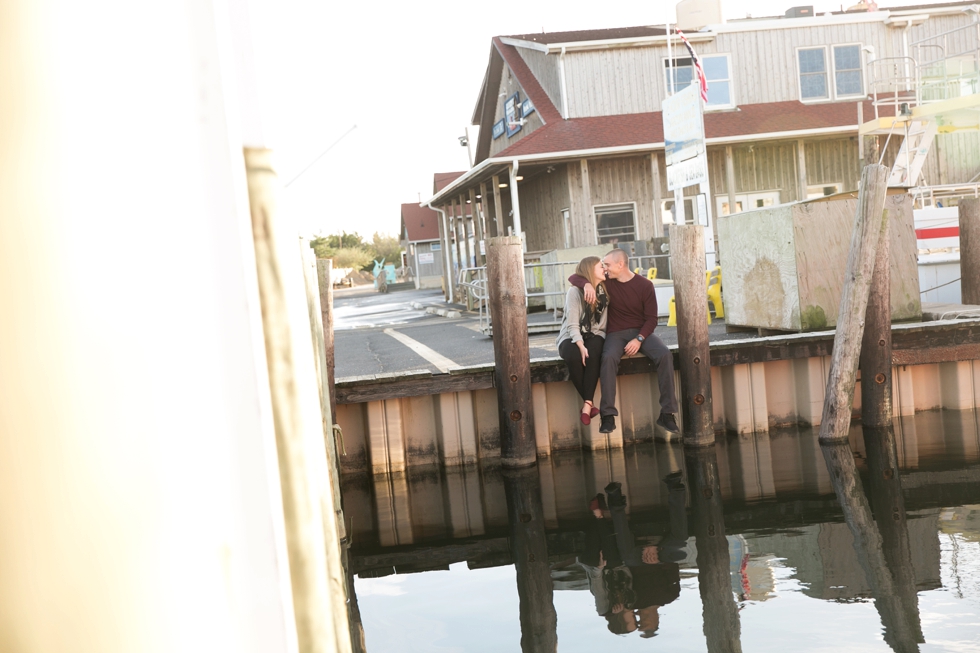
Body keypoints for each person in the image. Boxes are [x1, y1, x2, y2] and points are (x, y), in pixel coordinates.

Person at [569, 248, 679, 435]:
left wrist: (639, 339)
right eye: (603, 265)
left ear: (621, 265)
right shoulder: (607, 284)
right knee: (609, 357)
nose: (605, 269)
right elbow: (574, 277)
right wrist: (587, 284)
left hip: (641, 332)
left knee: (665, 355)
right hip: (615, 333)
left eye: (608, 265)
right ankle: (608, 416)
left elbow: (652, 319)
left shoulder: (645, 285)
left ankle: (667, 414)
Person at [556, 256, 608, 425]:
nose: (604, 269)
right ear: (590, 271)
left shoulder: (605, 291)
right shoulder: (575, 292)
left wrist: (588, 345)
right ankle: (589, 403)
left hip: (595, 333)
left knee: (593, 353)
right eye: (600, 266)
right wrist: (580, 344)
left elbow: (601, 325)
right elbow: (572, 325)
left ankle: (586, 406)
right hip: (570, 334)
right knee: (574, 356)